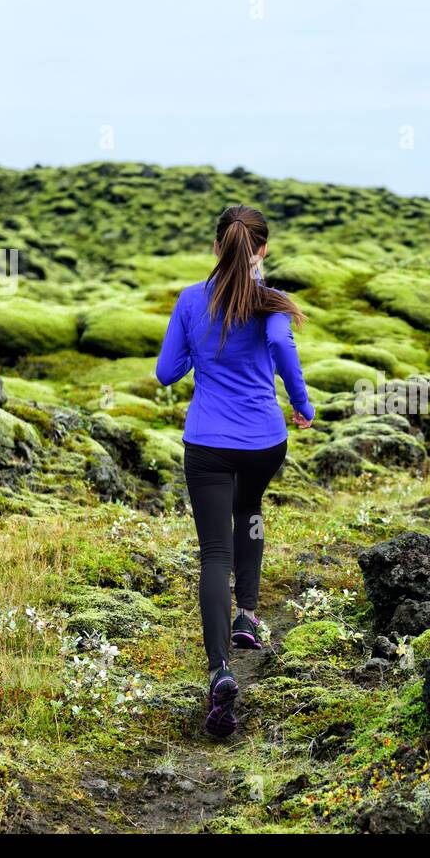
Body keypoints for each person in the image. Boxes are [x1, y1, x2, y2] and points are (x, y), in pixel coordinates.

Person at [155, 205, 313, 738]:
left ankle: (220, 670)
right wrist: (302, 404)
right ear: (262, 249)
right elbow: (279, 345)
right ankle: (248, 613)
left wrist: (199, 353)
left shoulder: (191, 300)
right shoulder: (269, 303)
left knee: (213, 552)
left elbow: (166, 372)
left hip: (207, 443)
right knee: (250, 512)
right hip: (265, 441)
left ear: (216, 247)